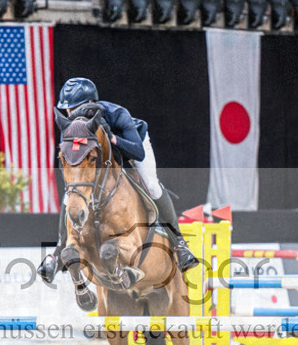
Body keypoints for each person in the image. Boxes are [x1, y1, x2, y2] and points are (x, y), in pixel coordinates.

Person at [37, 77, 199, 284]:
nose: (71, 115)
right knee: (74, 192)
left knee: (151, 185)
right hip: (104, 162)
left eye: (74, 108)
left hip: (133, 144)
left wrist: (111, 137)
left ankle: (179, 245)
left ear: (90, 105)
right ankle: (59, 251)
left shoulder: (116, 114)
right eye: (68, 110)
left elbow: (137, 153)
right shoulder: (72, 129)